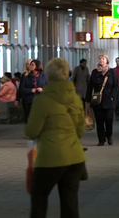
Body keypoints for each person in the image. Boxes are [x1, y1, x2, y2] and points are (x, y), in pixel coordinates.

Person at [25, 57, 86, 218]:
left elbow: (31, 131)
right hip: (75, 158)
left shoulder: (42, 100)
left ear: (49, 76)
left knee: (39, 199)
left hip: (49, 159)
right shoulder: (76, 98)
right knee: (70, 204)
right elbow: (80, 130)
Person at [86, 54, 118, 146]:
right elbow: (90, 86)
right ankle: (101, 139)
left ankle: (109, 136)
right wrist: (88, 99)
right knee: (99, 121)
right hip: (97, 100)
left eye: (103, 59)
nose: (101, 60)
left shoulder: (112, 72)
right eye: (100, 59)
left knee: (108, 119)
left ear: (107, 60)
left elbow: (115, 86)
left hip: (109, 100)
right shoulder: (95, 72)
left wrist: (113, 96)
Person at [19, 60, 47, 124]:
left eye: (32, 65)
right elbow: (22, 89)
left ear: (37, 66)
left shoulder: (44, 76)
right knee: (29, 118)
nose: (30, 66)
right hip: (30, 100)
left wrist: (43, 89)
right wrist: (30, 90)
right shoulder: (27, 77)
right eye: (30, 65)